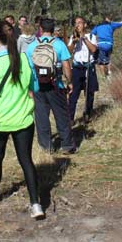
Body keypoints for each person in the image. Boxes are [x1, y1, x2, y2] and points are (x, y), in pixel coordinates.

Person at [0, 20, 44, 219]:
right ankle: (36, 204)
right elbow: (35, 87)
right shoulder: (24, 59)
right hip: (23, 118)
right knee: (26, 160)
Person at [26, 17, 76, 153]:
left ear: (40, 29)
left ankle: (46, 146)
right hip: (56, 84)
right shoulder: (59, 44)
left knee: (41, 117)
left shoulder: (32, 46)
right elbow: (66, 66)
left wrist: (29, 87)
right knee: (61, 115)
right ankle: (67, 145)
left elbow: (28, 68)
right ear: (53, 30)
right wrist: (69, 82)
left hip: (37, 86)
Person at [67, 16, 98, 123]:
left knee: (89, 92)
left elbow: (93, 49)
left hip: (88, 67)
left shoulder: (91, 36)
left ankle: (87, 114)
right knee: (73, 93)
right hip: (77, 67)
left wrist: (83, 38)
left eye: (79, 22)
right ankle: (70, 118)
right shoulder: (73, 37)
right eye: (76, 23)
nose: (77, 25)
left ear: (85, 25)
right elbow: (68, 52)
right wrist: (74, 42)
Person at [92, 13, 122, 78]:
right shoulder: (111, 25)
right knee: (108, 58)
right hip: (109, 45)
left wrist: (94, 42)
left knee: (101, 61)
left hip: (101, 45)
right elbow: (121, 23)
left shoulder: (98, 26)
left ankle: (103, 76)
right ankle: (109, 73)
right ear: (107, 19)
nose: (111, 20)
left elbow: (91, 34)